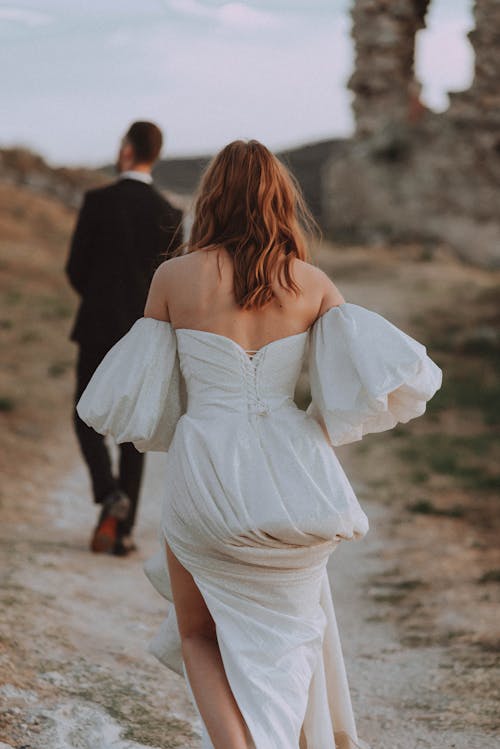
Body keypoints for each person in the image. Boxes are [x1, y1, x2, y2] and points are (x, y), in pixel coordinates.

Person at [77, 140, 442, 747]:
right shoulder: (314, 284)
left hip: (207, 473)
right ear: (281, 200)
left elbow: (141, 397)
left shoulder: (173, 278)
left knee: (198, 634)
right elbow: (359, 387)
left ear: (211, 197)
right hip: (296, 475)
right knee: (291, 640)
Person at [66, 120, 183, 557]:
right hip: (143, 334)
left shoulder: (98, 201)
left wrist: (97, 299)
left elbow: (75, 267)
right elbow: (169, 278)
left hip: (97, 325)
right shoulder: (171, 213)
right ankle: (124, 531)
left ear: (128, 151)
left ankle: (109, 494)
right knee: (134, 431)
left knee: (84, 416)